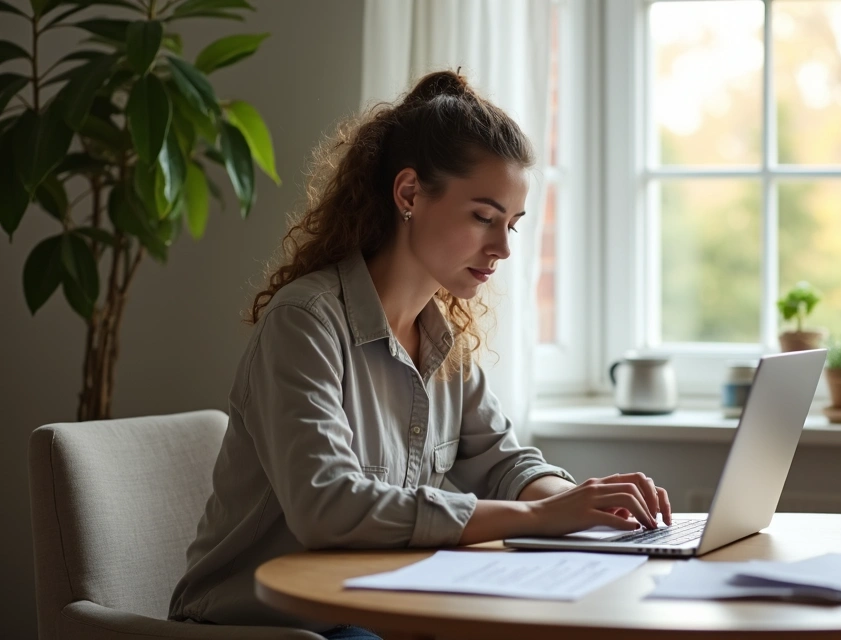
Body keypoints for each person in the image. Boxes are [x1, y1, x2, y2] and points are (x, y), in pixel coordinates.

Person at [168, 70, 673, 639]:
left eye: (512, 224)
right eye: (483, 217)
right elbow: (328, 507)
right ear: (409, 194)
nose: (504, 247)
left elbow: (503, 463)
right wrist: (538, 517)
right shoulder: (304, 323)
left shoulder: (443, 339)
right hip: (259, 624)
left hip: (372, 611)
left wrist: (588, 506)